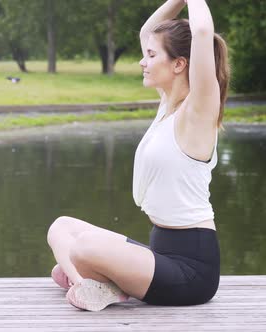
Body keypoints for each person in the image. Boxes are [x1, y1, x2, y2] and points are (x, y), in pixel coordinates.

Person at [47, 0, 229, 311]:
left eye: (151, 56)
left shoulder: (198, 111)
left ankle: (95, 280)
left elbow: (200, 30)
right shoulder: (167, 106)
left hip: (192, 272)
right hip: (159, 255)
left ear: (179, 64)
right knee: (62, 227)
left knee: (83, 249)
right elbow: (148, 31)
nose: (142, 61)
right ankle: (98, 283)